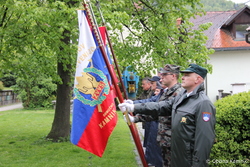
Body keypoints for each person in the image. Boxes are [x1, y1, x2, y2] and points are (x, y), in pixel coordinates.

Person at [120, 64, 216, 167]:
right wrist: (134, 107)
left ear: (198, 79)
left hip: (187, 159)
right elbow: (160, 106)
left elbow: (204, 141)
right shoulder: (183, 96)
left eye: (187, 75)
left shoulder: (203, 103)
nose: (182, 77)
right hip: (176, 155)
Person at [129, 64, 183, 167]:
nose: (161, 76)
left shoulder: (178, 92)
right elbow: (157, 114)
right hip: (164, 139)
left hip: (173, 140)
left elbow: (159, 107)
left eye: (164, 74)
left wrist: (134, 107)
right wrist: (135, 118)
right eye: (161, 74)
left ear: (173, 76)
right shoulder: (166, 92)